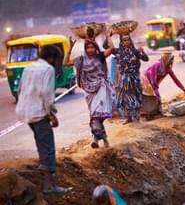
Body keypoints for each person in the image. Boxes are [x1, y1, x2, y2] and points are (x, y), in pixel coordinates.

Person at [16, 45, 67, 194]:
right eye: (56, 59)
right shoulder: (48, 69)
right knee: (48, 149)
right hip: (39, 113)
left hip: (25, 112)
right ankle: (48, 186)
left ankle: (46, 181)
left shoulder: (29, 67)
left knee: (41, 145)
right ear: (51, 58)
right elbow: (46, 94)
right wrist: (52, 114)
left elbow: (19, 89)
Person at [64, 30, 114, 149]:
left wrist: (107, 36)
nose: (90, 50)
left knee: (97, 115)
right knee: (94, 116)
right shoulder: (80, 60)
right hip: (89, 91)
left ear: (96, 48)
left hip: (101, 88)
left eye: (92, 47)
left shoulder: (100, 56)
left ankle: (95, 138)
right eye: (88, 47)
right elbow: (65, 63)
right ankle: (104, 138)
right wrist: (70, 49)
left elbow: (111, 48)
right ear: (85, 49)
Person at [141, 52, 185, 120]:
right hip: (145, 78)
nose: (171, 62)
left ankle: (154, 112)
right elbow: (151, 75)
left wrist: (184, 90)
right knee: (152, 95)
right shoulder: (157, 65)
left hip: (152, 80)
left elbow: (175, 80)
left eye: (172, 60)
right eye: (170, 60)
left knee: (155, 94)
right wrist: (154, 87)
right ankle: (149, 113)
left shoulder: (168, 69)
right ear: (166, 59)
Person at [113, 34, 149, 124]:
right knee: (125, 98)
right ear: (121, 42)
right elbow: (106, 46)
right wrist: (108, 35)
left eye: (128, 40)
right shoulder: (118, 52)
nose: (126, 42)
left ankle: (136, 117)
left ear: (130, 41)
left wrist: (143, 52)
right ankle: (128, 117)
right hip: (125, 79)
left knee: (136, 97)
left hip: (134, 78)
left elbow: (146, 59)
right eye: (124, 40)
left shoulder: (135, 51)